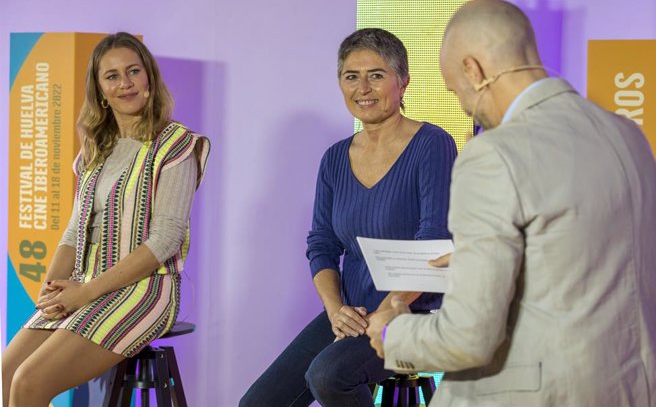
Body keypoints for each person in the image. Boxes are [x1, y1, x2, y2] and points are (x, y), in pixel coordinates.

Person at [367, 0, 656, 407]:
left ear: (473, 71)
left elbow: (468, 338)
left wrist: (393, 334)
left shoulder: (492, 155)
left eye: (455, 91)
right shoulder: (626, 134)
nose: (463, 106)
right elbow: (591, 258)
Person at [240, 28, 457, 406]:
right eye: (351, 76)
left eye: (376, 75)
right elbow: (322, 244)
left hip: (416, 310)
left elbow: (434, 241)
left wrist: (389, 309)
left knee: (328, 376)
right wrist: (336, 310)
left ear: (403, 82)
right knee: (257, 403)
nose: (363, 88)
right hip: (353, 311)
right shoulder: (335, 158)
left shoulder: (432, 144)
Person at [2, 32, 210, 407]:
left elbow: (165, 239)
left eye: (133, 71)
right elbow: (73, 230)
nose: (125, 83)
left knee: (30, 382)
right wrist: (51, 289)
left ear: (149, 78)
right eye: (111, 76)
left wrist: (85, 292)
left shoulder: (177, 144)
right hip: (85, 287)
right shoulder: (97, 149)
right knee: (6, 373)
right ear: (99, 90)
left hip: (145, 291)